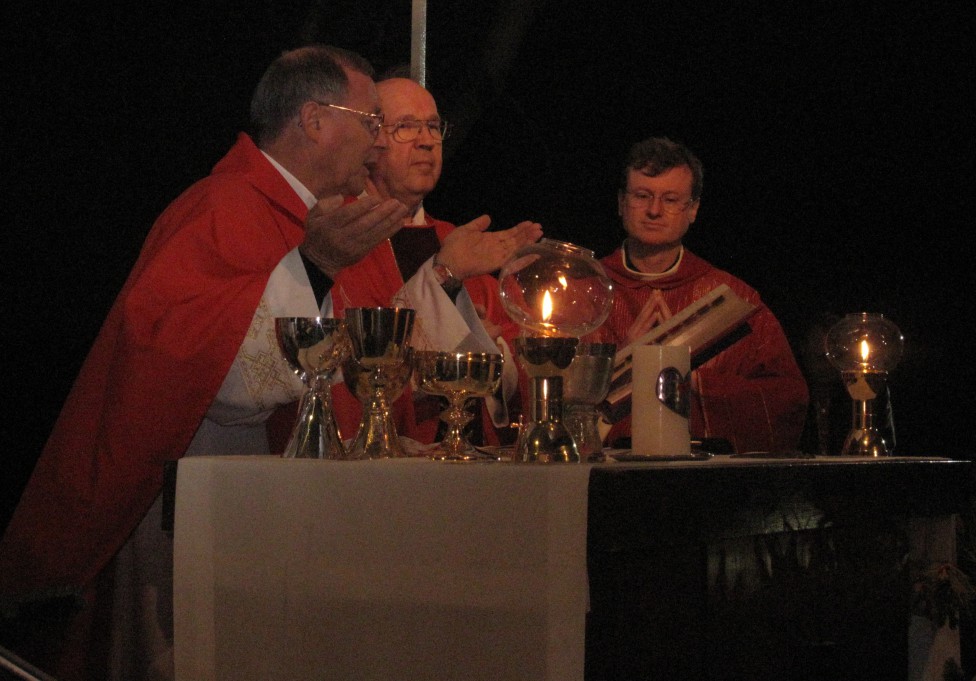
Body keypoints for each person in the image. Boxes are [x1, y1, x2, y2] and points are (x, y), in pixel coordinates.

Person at [0, 46, 525, 681]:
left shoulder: (342, 225)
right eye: (372, 120)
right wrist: (311, 268)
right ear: (314, 120)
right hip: (210, 517)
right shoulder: (223, 207)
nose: (380, 141)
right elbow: (205, 372)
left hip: (309, 519)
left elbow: (376, 365)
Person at [335, 75, 536, 444]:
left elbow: (522, 369)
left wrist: (492, 352)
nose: (427, 141)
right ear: (371, 138)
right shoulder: (342, 237)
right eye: (406, 128)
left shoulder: (459, 241)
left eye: (432, 127)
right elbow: (349, 368)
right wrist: (446, 286)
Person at [599, 137, 808, 453]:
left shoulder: (734, 300)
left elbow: (788, 398)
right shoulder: (583, 289)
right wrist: (622, 366)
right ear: (620, 203)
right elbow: (546, 394)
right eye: (642, 196)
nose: (654, 211)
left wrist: (693, 384)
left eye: (671, 200)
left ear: (693, 209)